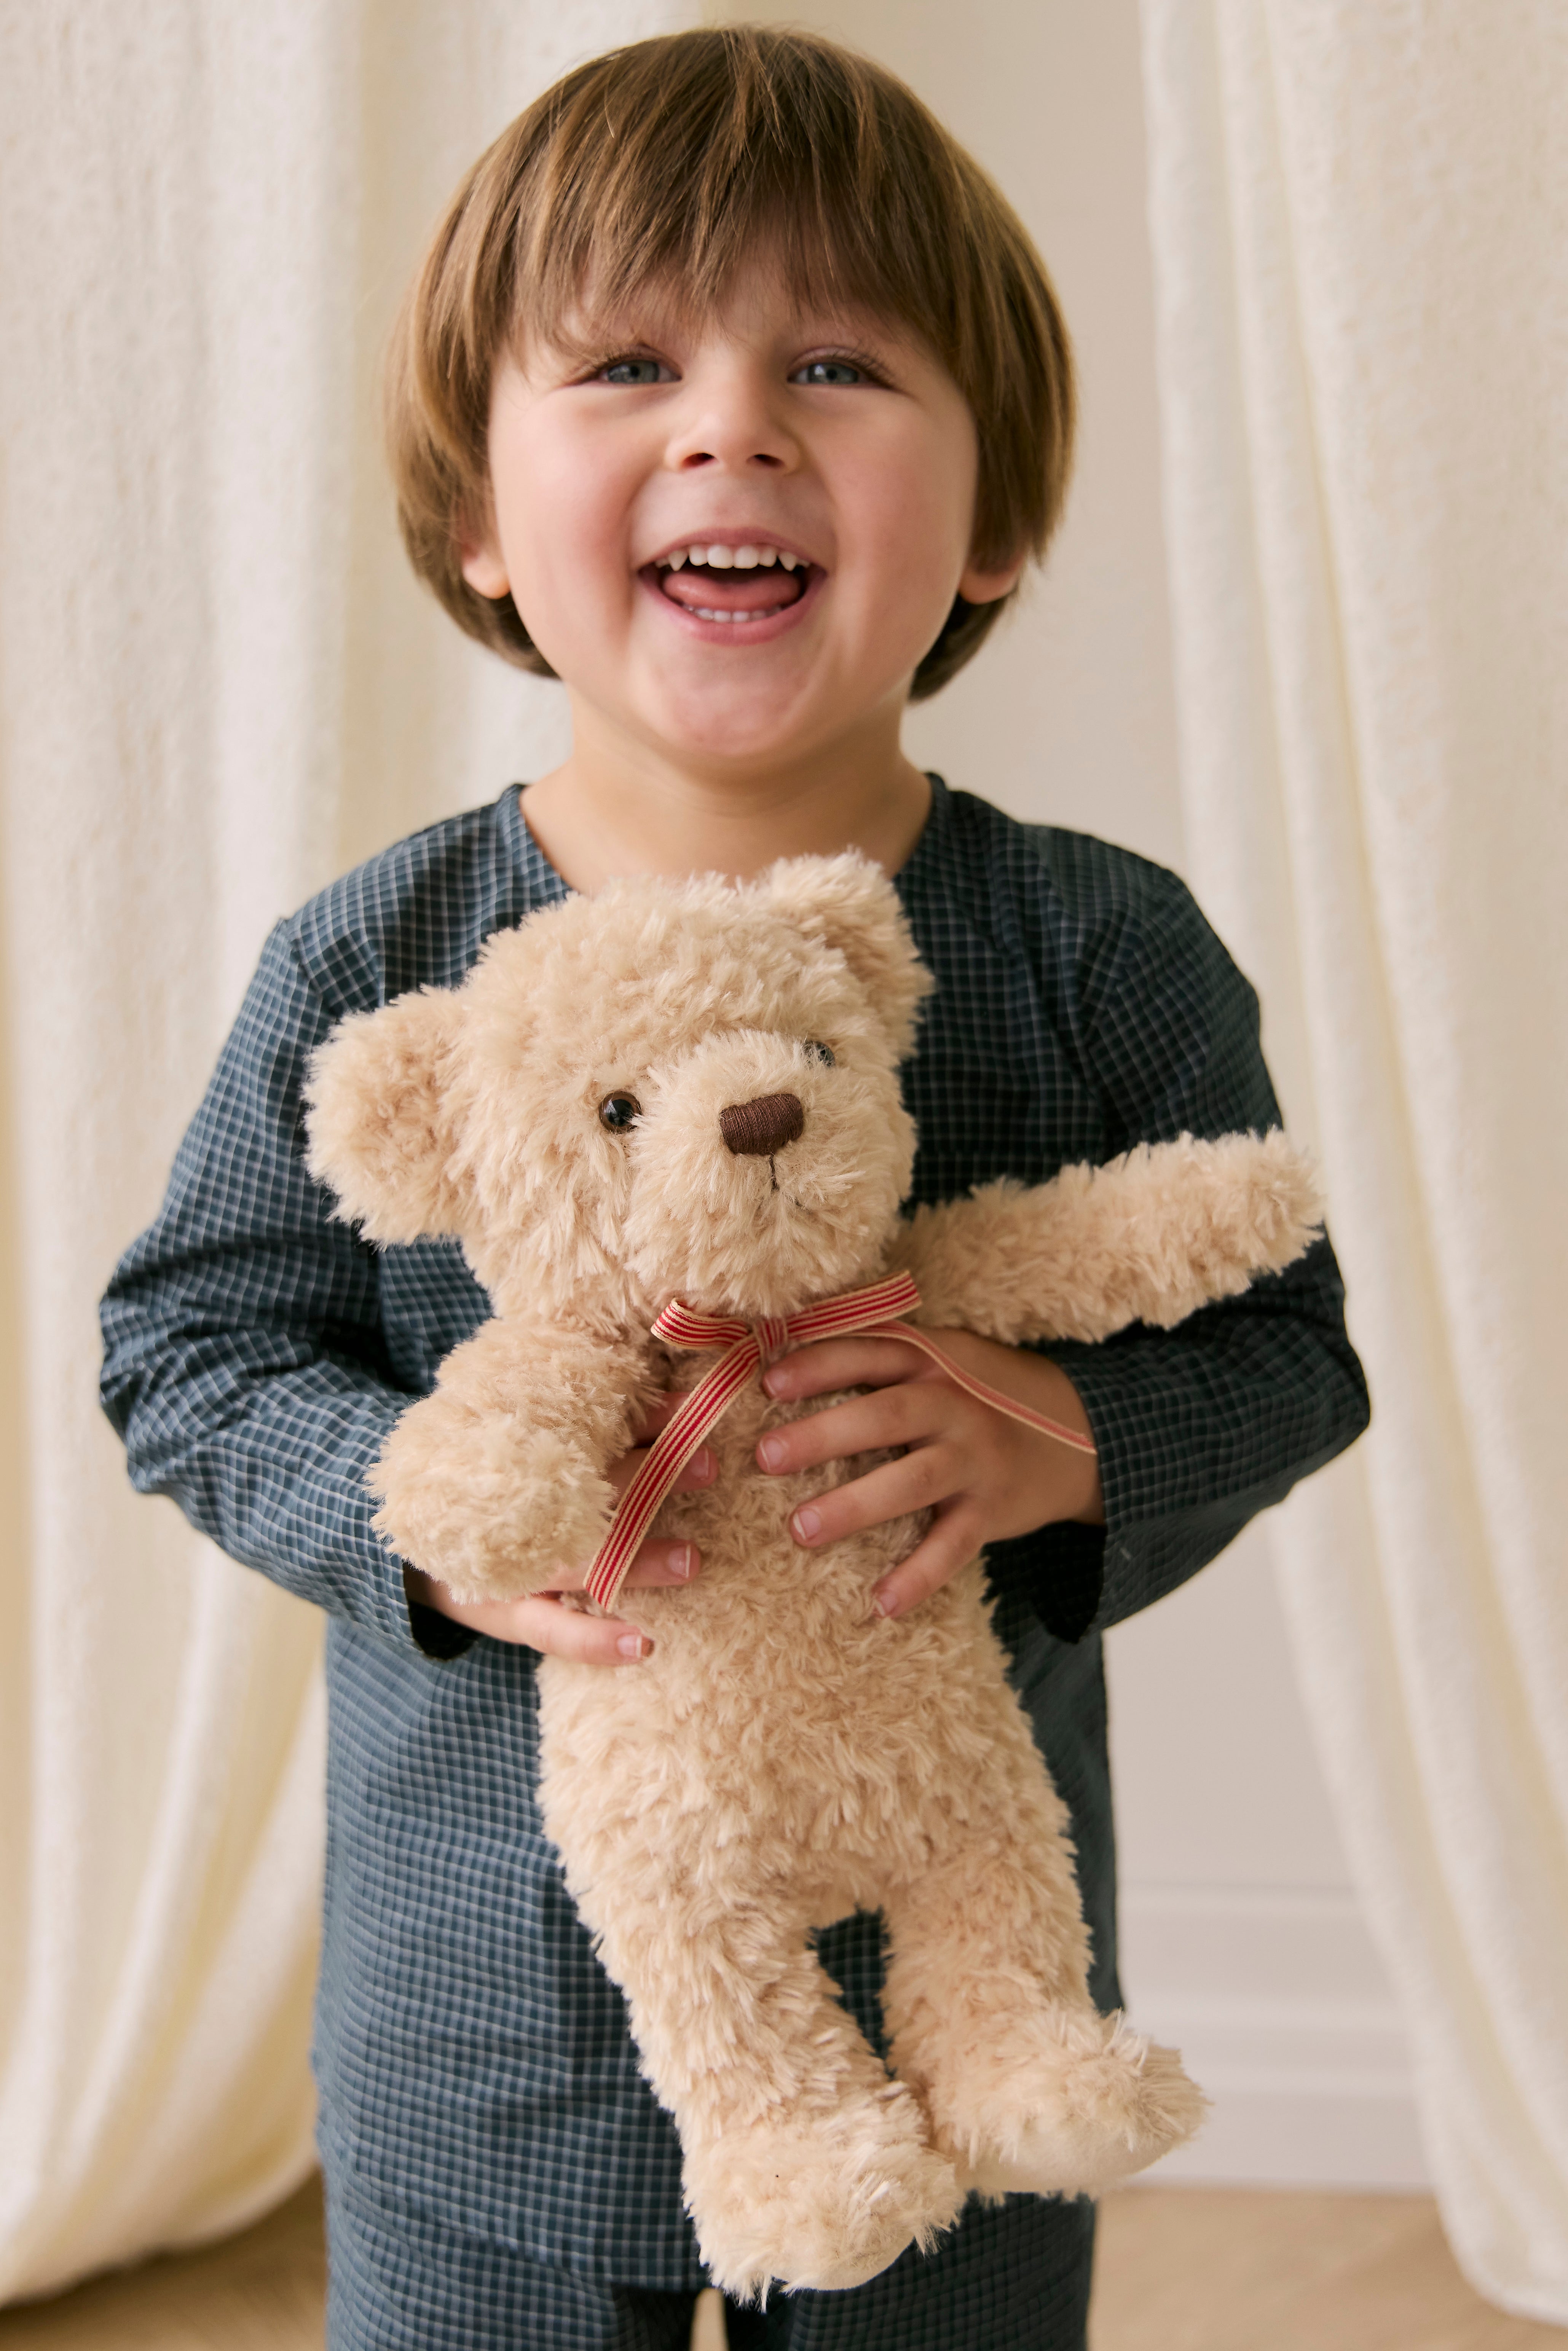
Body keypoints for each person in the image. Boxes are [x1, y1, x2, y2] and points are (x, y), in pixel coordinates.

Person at [100, 28, 1369, 2351]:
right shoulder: (368, 966)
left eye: (835, 363)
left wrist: (1065, 1439)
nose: (730, 426)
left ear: (989, 521)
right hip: (486, 2017)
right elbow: (183, 1347)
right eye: (622, 364)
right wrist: (420, 1503)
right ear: (476, 515)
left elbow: (1288, 1345)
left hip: (953, 1989)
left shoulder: (1095, 947)